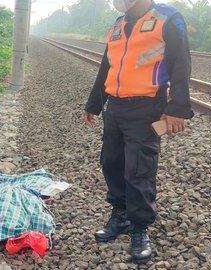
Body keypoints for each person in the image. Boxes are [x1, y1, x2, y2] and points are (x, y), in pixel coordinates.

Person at [83, 0, 194, 264]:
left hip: (147, 108)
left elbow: (181, 63)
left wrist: (177, 108)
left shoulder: (168, 18)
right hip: (116, 107)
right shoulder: (118, 24)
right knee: (111, 163)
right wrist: (94, 104)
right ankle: (120, 216)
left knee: (139, 169)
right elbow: (107, 66)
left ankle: (139, 227)